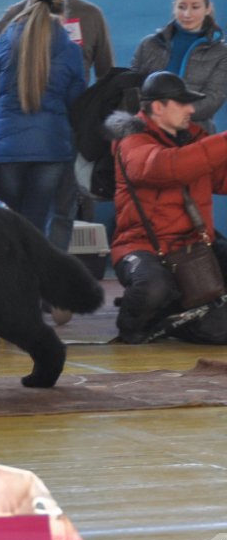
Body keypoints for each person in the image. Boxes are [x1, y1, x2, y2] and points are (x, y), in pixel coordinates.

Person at [0, 0, 115, 256]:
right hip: (40, 133)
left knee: (60, 210)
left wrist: (92, 124)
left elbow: (106, 73)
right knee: (23, 215)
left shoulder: (90, 16)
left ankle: (48, 273)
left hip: (64, 132)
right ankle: (30, 273)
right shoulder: (15, 15)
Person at [105, 71, 227, 344]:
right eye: (182, 103)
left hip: (194, 246)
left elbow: (221, 178)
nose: (191, 110)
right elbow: (169, 167)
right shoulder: (131, 141)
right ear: (158, 107)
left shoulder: (194, 138)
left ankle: (175, 320)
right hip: (141, 246)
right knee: (153, 286)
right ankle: (132, 328)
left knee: (219, 330)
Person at [0, 0, 86, 239]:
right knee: (36, 228)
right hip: (52, 149)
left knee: (7, 224)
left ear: (30, 4)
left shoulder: (6, 41)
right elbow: (77, 105)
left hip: (7, 150)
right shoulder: (71, 51)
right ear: (63, 10)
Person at [131, 0, 227, 135]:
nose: (187, 14)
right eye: (181, 7)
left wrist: (174, 115)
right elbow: (132, 87)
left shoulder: (222, 52)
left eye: (195, 7)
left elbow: (213, 99)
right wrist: (152, 115)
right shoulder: (148, 44)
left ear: (208, 8)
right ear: (174, 8)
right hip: (148, 132)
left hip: (195, 134)